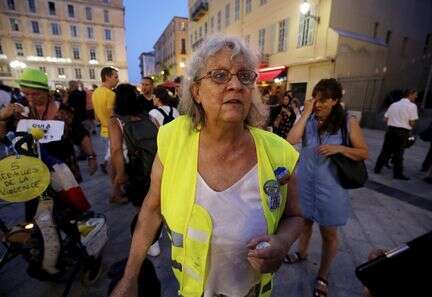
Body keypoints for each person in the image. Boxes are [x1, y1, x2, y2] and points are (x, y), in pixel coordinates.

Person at [110, 36, 303, 297]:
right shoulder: (173, 138)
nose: (235, 85)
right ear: (196, 91)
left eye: (245, 76)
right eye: (220, 75)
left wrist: (281, 243)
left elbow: (295, 216)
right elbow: (151, 209)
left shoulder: (279, 153)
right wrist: (130, 277)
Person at [286, 78, 368, 297]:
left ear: (335, 100)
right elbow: (291, 139)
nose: (318, 104)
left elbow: (363, 152)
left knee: (328, 232)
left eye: (323, 100)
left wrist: (339, 148)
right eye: (316, 98)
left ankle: (322, 275)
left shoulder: (348, 122)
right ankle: (301, 253)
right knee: (304, 223)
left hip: (331, 187)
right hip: (305, 183)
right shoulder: (309, 119)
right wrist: (305, 113)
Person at [0, 68, 98, 218]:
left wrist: (91, 157)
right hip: (32, 173)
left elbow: (81, 134)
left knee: (69, 212)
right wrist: (2, 118)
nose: (30, 98)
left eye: (35, 93)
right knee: (39, 216)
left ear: (46, 91)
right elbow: (3, 136)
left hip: (62, 168)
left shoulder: (65, 111)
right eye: (26, 93)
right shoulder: (18, 111)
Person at [109, 83, 159, 254]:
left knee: (142, 209)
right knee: (155, 203)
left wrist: (120, 174)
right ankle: (157, 234)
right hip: (156, 169)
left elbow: (116, 150)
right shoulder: (150, 118)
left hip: (135, 171)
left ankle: (151, 243)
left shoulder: (116, 121)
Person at [374, 89, 419, 180]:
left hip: (390, 131)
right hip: (402, 133)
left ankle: (377, 169)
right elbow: (412, 123)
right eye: (415, 95)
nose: (416, 97)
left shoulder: (394, 104)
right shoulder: (412, 106)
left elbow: (385, 119)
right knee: (399, 153)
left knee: (385, 151)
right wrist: (410, 124)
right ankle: (397, 174)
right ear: (410, 94)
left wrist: (394, 122)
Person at [92, 67, 120, 183]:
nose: (117, 80)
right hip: (112, 131)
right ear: (107, 77)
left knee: (109, 156)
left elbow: (96, 117)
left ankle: (113, 184)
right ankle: (115, 186)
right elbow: (111, 114)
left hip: (103, 130)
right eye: (116, 77)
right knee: (113, 159)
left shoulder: (95, 93)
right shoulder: (111, 94)